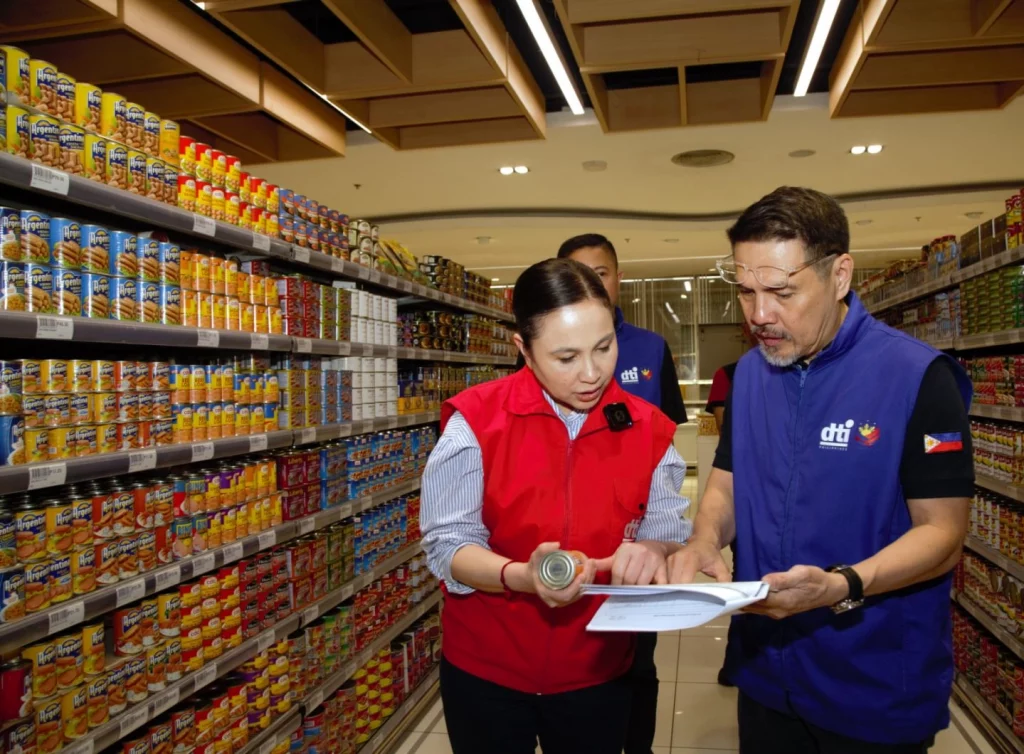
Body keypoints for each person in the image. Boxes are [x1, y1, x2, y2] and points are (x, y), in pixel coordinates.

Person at [667, 186, 973, 753]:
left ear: (839, 275)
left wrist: (841, 584)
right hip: (767, 672)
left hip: (873, 683)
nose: (760, 315)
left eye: (782, 292)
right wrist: (705, 537)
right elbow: (728, 480)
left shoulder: (917, 377)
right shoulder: (752, 375)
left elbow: (943, 533)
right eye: (745, 291)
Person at [421, 258, 692, 754]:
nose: (591, 374)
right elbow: (448, 545)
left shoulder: (649, 430)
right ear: (523, 348)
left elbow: (665, 527)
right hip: (487, 672)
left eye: (604, 347)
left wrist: (654, 549)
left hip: (598, 671)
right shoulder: (474, 424)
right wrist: (519, 576)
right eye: (566, 357)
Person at [555, 232, 686, 754]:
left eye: (601, 272)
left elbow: (668, 436)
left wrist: (659, 535)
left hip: (636, 539)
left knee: (639, 662)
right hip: (569, 543)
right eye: (577, 273)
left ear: (619, 277)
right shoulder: (549, 348)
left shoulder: (651, 347)